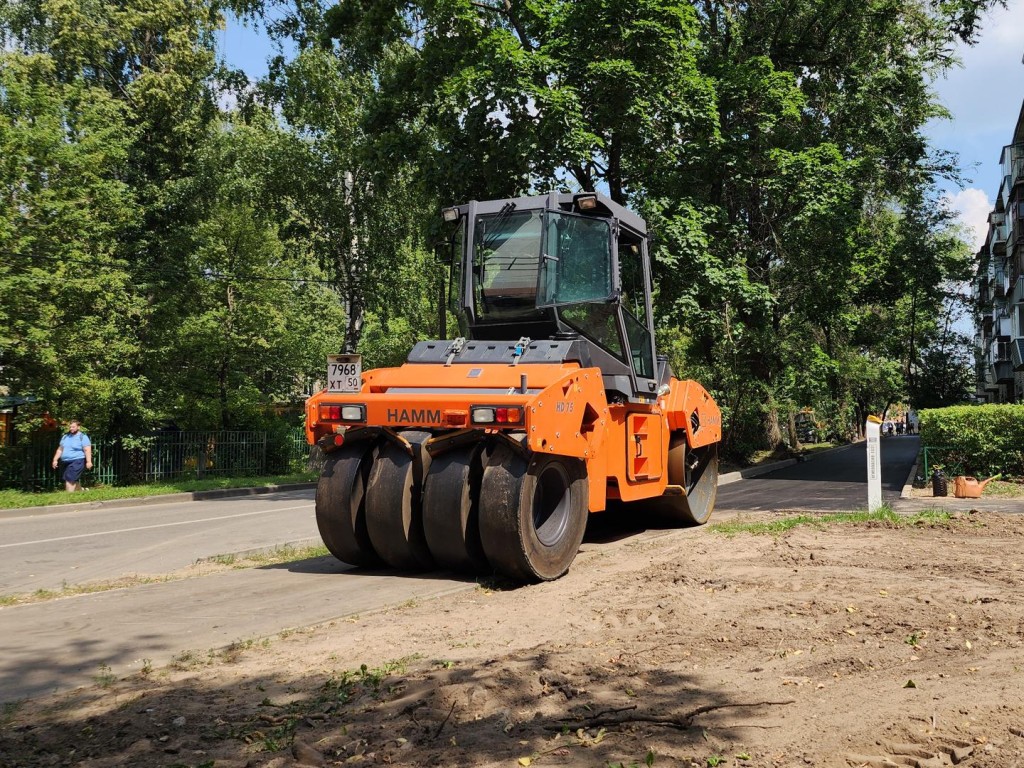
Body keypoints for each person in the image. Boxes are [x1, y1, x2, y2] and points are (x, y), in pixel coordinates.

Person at [51, 420, 93, 492]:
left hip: (77, 460)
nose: (71, 429)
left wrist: (89, 462)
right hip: (65, 461)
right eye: (70, 427)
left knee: (69, 480)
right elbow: (60, 449)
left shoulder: (83, 437)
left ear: (78, 427)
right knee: (71, 479)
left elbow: (87, 450)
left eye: (73, 427)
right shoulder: (65, 437)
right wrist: (55, 460)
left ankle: (68, 497)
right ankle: (82, 491)